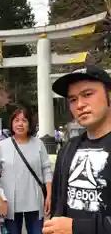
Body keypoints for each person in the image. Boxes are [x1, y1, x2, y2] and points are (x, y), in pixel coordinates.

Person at [43, 66, 111, 234]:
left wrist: (76, 227)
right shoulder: (68, 148)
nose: (80, 105)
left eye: (87, 94)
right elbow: (59, 207)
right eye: (73, 99)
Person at [0, 107, 53, 234]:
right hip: (9, 202)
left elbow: (46, 170)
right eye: (17, 120)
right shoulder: (2, 146)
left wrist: (49, 195)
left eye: (24, 120)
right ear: (12, 123)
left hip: (35, 200)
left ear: (30, 124)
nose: (20, 124)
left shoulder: (38, 144)